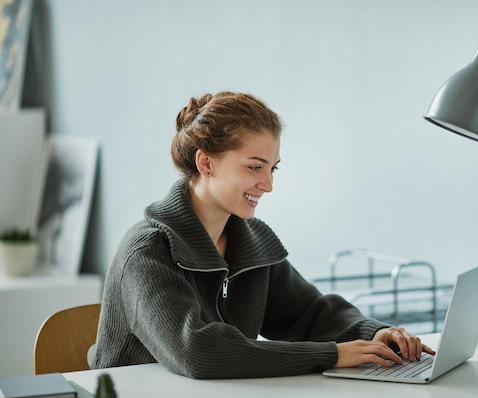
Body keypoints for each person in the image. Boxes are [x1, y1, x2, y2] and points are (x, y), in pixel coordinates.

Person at [93, 91, 435, 379]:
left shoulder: (252, 241)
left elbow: (308, 313)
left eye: (273, 169)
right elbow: (198, 351)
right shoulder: (147, 251)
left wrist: (373, 332)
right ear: (206, 163)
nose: (268, 185)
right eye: (254, 167)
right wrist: (332, 355)